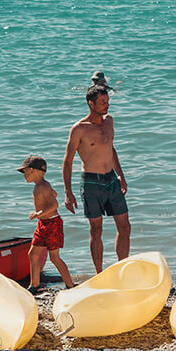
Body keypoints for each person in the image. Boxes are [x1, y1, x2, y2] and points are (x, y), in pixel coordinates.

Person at [62, 84, 131, 273]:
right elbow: (67, 162)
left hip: (111, 179)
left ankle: (121, 269)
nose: (106, 106)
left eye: (107, 102)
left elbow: (111, 149)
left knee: (125, 226)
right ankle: (99, 273)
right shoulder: (79, 129)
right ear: (91, 104)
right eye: (102, 103)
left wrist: (121, 175)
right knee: (96, 229)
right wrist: (68, 193)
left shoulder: (109, 121)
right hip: (91, 182)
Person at [18, 155, 74, 293]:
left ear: (32, 170)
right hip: (43, 224)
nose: (24, 175)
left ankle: (70, 285)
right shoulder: (39, 186)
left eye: (24, 171)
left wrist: (37, 214)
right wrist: (41, 215)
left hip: (52, 223)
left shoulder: (43, 186)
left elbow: (54, 204)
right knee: (33, 254)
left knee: (54, 257)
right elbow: (53, 195)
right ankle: (35, 285)